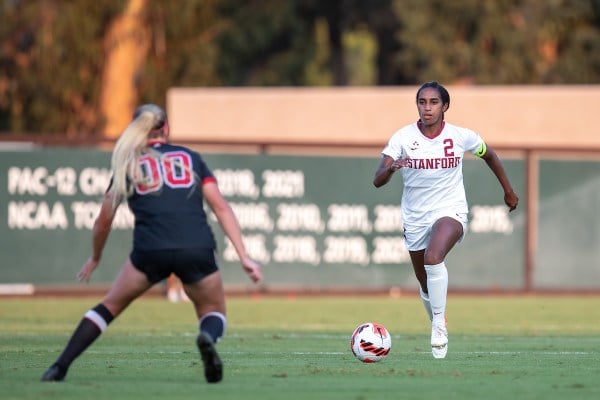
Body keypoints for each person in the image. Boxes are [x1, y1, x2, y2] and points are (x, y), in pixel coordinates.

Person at [42, 104, 262, 383]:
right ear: (166, 129)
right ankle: (207, 337)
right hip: (196, 246)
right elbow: (221, 207)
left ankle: (59, 366)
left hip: (150, 249)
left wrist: (95, 257)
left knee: (108, 307)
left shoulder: (128, 163)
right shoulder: (190, 158)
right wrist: (244, 256)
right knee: (213, 311)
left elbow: (103, 219)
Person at [372, 82, 518, 359]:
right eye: (422, 102)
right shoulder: (402, 138)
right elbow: (377, 179)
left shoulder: (460, 136)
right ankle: (437, 317)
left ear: (445, 106)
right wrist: (391, 168)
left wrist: (508, 190)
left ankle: (438, 325)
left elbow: (490, 155)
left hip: (450, 210)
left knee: (434, 256)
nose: (427, 108)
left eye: (433, 102)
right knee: (424, 281)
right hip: (415, 217)